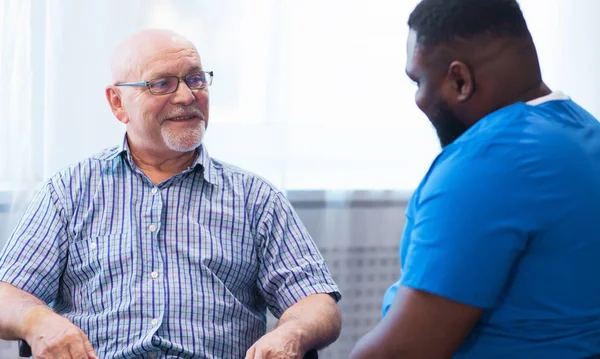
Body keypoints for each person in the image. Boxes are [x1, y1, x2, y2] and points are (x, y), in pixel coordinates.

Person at [0, 29, 341, 359]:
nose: (186, 96)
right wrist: (39, 321)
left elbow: (316, 302)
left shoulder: (256, 198)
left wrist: (291, 333)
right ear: (118, 103)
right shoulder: (69, 191)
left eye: (195, 79)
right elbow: (8, 294)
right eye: (161, 83)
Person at [350, 0, 600, 358]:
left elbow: (403, 352)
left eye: (418, 81)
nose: (418, 99)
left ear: (460, 80)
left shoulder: (488, 162)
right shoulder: (586, 133)